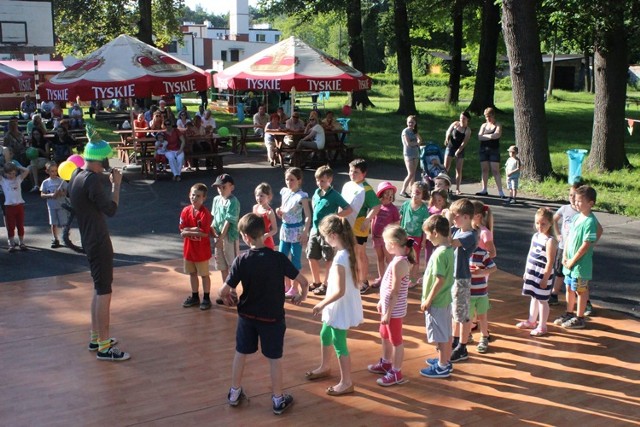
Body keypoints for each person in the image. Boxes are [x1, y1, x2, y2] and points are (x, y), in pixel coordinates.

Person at [219, 213, 308, 414]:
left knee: (240, 353)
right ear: (264, 233)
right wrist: (302, 296)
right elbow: (303, 282)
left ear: (245, 237)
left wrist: (225, 297)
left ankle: (234, 393)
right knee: (274, 358)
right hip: (273, 318)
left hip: (247, 317)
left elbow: (223, 291)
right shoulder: (278, 258)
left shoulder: (242, 260)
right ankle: (278, 400)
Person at [68, 135, 130, 361]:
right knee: (105, 291)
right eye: (107, 160)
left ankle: (96, 337)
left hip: (88, 238)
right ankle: (104, 346)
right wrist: (116, 186)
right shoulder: (92, 180)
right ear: (100, 160)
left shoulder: (76, 174)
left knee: (98, 288)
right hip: (98, 241)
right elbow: (111, 209)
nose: (108, 164)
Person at [307, 215, 363, 396]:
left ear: (332, 235)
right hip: (337, 304)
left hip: (338, 305)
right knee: (325, 333)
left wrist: (321, 304)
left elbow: (339, 291)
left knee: (339, 342)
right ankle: (325, 366)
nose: (323, 239)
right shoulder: (348, 251)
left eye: (324, 236)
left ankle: (346, 382)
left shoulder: (340, 258)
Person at [367, 225, 414, 386]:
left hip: (393, 311)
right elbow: (387, 287)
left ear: (393, 244)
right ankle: (386, 362)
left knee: (396, 340)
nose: (384, 245)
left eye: (386, 242)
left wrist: (388, 313)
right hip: (388, 308)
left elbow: (395, 291)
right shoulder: (396, 260)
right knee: (384, 335)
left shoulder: (399, 264)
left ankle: (396, 372)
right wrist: (382, 301)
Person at [550, 181, 602, 309]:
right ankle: (569, 312)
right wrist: (565, 256)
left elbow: (586, 244)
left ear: (590, 203)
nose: (575, 201)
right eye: (572, 196)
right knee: (569, 287)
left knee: (580, 289)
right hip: (568, 259)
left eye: (579, 200)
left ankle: (581, 313)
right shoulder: (576, 217)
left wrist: (590, 245)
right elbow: (568, 238)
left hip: (579, 263)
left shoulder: (590, 221)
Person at [308, 165, 352, 296]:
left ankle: (326, 284)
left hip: (327, 232)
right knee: (311, 256)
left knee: (329, 258)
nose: (319, 183)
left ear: (330, 179)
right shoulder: (316, 193)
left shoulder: (335, 195)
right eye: (317, 180)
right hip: (315, 230)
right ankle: (316, 281)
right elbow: (314, 206)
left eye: (322, 180)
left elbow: (348, 209)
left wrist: (335, 217)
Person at [419, 215, 455, 378]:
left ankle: (441, 366)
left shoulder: (440, 253)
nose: (426, 238)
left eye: (427, 234)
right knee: (446, 332)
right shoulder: (448, 250)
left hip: (438, 301)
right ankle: (445, 360)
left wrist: (428, 299)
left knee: (440, 335)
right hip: (445, 299)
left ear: (435, 233)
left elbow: (439, 280)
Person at [341, 158, 381, 294]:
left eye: (356, 172)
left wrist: (368, 220)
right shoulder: (347, 185)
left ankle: (363, 281)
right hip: (346, 225)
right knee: (348, 252)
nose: (352, 174)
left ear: (364, 174)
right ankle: (353, 278)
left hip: (359, 226)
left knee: (359, 253)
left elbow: (376, 205)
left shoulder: (366, 189)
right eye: (351, 171)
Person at [518, 208, 557, 336]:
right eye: (537, 223)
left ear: (550, 223)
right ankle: (531, 321)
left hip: (542, 274)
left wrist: (545, 278)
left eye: (543, 224)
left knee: (542, 300)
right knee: (533, 297)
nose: (540, 226)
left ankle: (542, 325)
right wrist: (526, 271)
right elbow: (530, 254)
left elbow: (550, 262)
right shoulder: (536, 236)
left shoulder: (550, 241)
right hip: (532, 272)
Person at [448, 198, 477, 363]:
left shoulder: (470, 235)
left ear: (466, 217)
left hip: (461, 279)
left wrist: (447, 218)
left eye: (456, 215)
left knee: (463, 315)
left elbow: (451, 243)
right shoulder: (457, 229)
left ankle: (463, 346)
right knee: (454, 313)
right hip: (453, 277)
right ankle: (455, 340)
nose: (454, 218)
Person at [276, 167, 312, 298]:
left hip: (296, 231)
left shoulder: (302, 196)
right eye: (287, 179)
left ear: (299, 180)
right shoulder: (285, 192)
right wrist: (279, 211)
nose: (289, 182)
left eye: (292, 179)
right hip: (285, 229)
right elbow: (284, 209)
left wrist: (305, 232)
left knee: (295, 260)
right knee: (281, 258)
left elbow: (308, 216)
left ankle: (295, 287)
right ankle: (286, 285)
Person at [179, 183, 213, 311]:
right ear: (189, 195)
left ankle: (206, 297)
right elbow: (182, 230)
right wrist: (194, 230)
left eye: (198, 196)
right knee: (192, 273)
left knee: (204, 274)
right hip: (189, 250)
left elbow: (204, 232)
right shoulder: (186, 211)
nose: (195, 198)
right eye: (193, 195)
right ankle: (194, 296)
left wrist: (188, 231)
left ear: (203, 198)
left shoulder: (205, 213)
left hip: (202, 251)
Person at [211, 173, 241, 292]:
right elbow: (215, 218)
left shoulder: (233, 202)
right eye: (219, 187)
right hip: (218, 236)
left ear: (231, 187)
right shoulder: (216, 200)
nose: (220, 190)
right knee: (222, 265)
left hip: (229, 237)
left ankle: (233, 291)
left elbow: (228, 222)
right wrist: (213, 232)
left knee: (232, 264)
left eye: (224, 187)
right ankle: (225, 290)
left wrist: (220, 239)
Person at [399, 181, 430, 287]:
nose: (415, 195)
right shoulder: (405, 205)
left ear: (423, 195)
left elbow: (425, 227)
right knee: (403, 257)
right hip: (404, 235)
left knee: (414, 259)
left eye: (418, 193)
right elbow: (401, 218)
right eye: (413, 192)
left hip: (416, 237)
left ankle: (412, 280)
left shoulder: (424, 210)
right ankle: (403, 278)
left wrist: (424, 241)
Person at [469, 239, 497, 352]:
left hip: (481, 292)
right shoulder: (461, 252)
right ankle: (467, 334)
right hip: (468, 293)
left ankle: (484, 337)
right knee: (468, 316)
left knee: (482, 316)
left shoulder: (482, 253)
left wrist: (482, 272)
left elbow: (494, 267)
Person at [371, 181, 401, 288]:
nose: (389, 195)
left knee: (389, 259)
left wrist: (393, 238)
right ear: (381, 194)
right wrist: (372, 233)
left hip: (387, 239)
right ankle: (381, 277)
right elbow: (373, 219)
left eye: (391, 193)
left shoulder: (393, 209)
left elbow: (396, 225)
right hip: (376, 237)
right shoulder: (377, 207)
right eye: (386, 192)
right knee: (380, 258)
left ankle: (391, 278)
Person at [1, 162, 30, 252]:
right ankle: (11, 243)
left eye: (13, 173)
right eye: (9, 173)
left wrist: (17, 167)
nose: (12, 175)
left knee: (20, 225)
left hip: (19, 206)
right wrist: (4, 169)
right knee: (11, 226)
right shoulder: (3, 181)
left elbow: (27, 170)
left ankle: (21, 242)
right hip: (9, 206)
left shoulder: (18, 179)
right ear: (5, 174)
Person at [477, 107, 506, 198]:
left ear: (493, 115)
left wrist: (486, 136)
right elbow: (479, 137)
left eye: (489, 116)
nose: (488, 118)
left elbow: (497, 135)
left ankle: (500, 192)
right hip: (483, 149)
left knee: (495, 170)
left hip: (494, 149)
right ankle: (484, 189)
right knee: (484, 170)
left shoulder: (498, 125)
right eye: (486, 116)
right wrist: (490, 136)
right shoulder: (484, 125)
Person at [39, 161, 69, 248]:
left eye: (55, 171)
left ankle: (65, 238)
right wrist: (51, 195)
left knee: (64, 223)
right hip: (51, 206)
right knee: (53, 223)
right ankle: (55, 239)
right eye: (52, 171)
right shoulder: (46, 182)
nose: (54, 173)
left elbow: (66, 192)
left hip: (61, 205)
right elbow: (42, 194)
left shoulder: (61, 181)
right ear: (47, 171)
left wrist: (61, 193)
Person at [444, 112, 471, 195]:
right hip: (450, 146)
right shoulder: (456, 124)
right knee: (445, 168)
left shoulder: (468, 130)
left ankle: (457, 188)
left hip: (460, 149)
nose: (462, 120)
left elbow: (464, 143)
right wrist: (447, 138)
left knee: (458, 169)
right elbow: (448, 131)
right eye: (461, 118)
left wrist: (458, 150)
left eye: (464, 119)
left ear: (467, 120)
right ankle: (443, 187)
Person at [400, 115, 423, 198]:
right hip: (408, 154)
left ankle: (411, 190)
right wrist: (417, 143)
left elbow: (420, 140)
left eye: (412, 122)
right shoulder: (405, 132)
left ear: (415, 123)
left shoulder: (414, 131)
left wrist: (417, 142)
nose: (410, 124)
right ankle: (402, 191)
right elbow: (408, 144)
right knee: (410, 173)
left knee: (413, 174)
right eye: (409, 122)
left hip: (415, 154)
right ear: (407, 122)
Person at [425, 189, 449, 265]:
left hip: (439, 236)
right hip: (429, 235)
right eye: (434, 200)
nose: (437, 202)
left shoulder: (445, 211)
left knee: (438, 254)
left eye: (439, 200)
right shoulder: (429, 210)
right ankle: (427, 269)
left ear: (444, 200)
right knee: (428, 255)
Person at [253, 182, 278, 250]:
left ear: (269, 197)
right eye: (257, 195)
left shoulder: (269, 212)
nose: (259, 198)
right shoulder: (255, 207)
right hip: (256, 238)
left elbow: (275, 230)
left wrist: (266, 235)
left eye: (261, 196)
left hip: (266, 241)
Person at [28, 128, 51, 192]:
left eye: (37, 134)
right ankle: (34, 186)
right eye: (34, 134)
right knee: (28, 169)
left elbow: (47, 155)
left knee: (32, 164)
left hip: (44, 160)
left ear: (40, 134)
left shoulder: (45, 142)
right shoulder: (32, 142)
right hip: (35, 161)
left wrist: (40, 150)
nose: (36, 136)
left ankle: (36, 185)